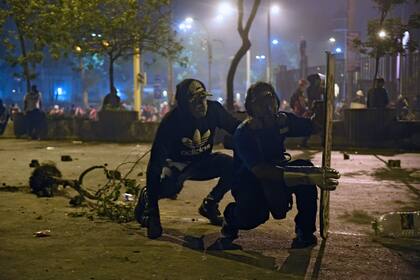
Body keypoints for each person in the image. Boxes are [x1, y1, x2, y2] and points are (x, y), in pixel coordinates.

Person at [217, 82, 340, 249]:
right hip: (251, 183)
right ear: (251, 107)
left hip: (278, 171)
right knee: (253, 216)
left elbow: (312, 127)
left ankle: (305, 230)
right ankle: (231, 218)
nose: (267, 106)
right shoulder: (245, 132)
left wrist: (322, 114)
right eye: (260, 102)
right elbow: (260, 170)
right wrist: (306, 175)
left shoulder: (282, 121)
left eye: (270, 99)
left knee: (304, 169)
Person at [134, 78, 240, 239]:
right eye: (195, 101)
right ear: (184, 105)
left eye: (203, 98)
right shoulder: (171, 122)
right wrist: (153, 214)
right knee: (170, 187)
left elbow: (238, 129)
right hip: (177, 164)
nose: (201, 104)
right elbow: (155, 165)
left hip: (202, 161)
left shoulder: (214, 110)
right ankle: (147, 196)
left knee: (234, 166)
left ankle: (210, 203)